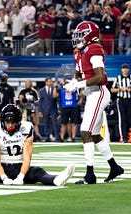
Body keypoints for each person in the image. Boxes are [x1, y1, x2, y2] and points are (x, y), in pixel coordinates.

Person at [0, 104, 75, 186]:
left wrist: (21, 176)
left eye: (13, 122)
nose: (10, 125)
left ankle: (56, 180)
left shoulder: (27, 128)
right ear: (2, 121)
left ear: (19, 122)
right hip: (2, 168)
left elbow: (27, 157)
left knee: (38, 172)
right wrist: (4, 178)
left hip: (20, 167)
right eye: (7, 122)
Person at [64, 21, 124, 184]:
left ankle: (90, 175)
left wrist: (80, 84)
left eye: (80, 34)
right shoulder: (79, 52)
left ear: (89, 35)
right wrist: (73, 82)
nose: (77, 38)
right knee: (95, 135)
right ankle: (114, 167)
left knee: (85, 132)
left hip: (98, 92)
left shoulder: (95, 48)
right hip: (91, 93)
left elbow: (99, 77)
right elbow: (78, 74)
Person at [54, 74, 82, 142]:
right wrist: (55, 87)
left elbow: (81, 93)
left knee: (74, 123)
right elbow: (54, 95)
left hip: (73, 106)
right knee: (63, 123)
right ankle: (62, 138)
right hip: (65, 107)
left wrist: (81, 99)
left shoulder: (75, 86)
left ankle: (73, 138)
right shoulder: (61, 87)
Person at [110, 63, 131, 143]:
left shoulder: (130, 77)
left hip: (129, 100)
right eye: (123, 68)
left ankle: (129, 137)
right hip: (121, 100)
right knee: (122, 119)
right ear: (121, 69)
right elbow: (112, 89)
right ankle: (124, 137)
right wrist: (120, 89)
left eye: (126, 68)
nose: (125, 70)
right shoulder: (118, 78)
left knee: (129, 118)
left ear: (128, 69)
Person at [38, 77, 58, 142]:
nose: (51, 82)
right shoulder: (41, 90)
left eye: (51, 81)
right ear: (46, 82)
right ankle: (47, 137)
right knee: (46, 124)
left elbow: (56, 98)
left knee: (54, 123)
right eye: (50, 81)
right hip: (45, 109)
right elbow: (40, 101)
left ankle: (57, 137)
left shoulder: (54, 89)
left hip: (53, 109)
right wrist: (40, 110)